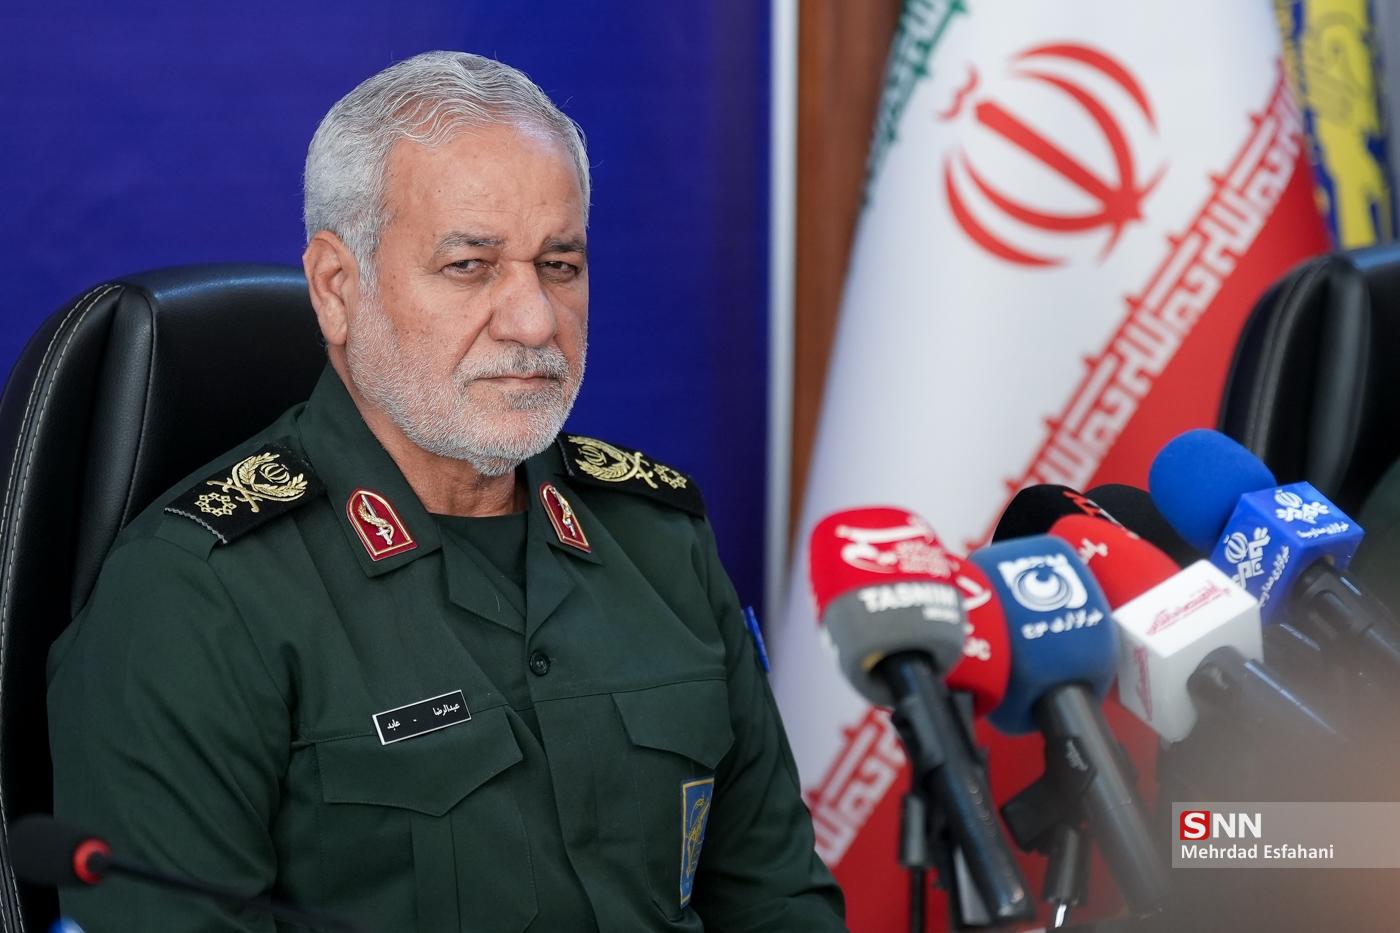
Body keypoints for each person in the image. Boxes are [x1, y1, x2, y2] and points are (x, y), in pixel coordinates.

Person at [47, 50, 846, 932]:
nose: (534, 320)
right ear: (337, 288)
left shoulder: (659, 538)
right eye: (471, 264)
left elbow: (777, 904)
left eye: (560, 264)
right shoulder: (193, 596)